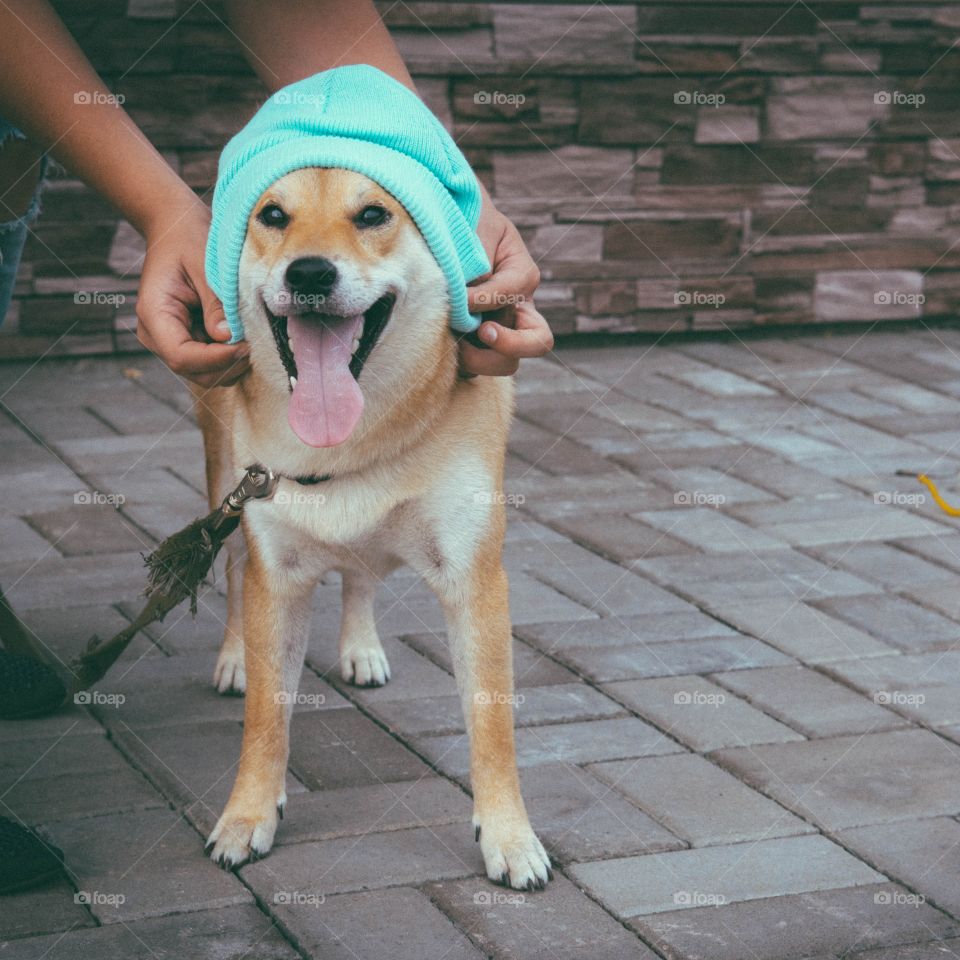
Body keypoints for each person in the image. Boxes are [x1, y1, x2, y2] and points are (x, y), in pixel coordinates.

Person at [0, 0, 553, 892]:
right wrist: (159, 211)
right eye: (277, 222)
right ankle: (258, 782)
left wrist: (464, 198)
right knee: (279, 569)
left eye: (372, 218)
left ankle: (501, 798)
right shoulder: (248, 343)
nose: (313, 254)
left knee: (446, 569)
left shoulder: (455, 301)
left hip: (430, 416)